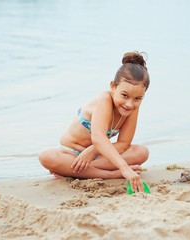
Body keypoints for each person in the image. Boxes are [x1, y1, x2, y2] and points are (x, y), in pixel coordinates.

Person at [38, 51, 150, 193]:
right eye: (124, 95)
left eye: (137, 98)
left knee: (141, 152)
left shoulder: (133, 107)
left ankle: (77, 171)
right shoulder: (104, 100)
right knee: (46, 156)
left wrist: (91, 153)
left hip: (98, 156)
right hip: (72, 153)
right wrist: (124, 169)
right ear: (113, 86)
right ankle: (108, 174)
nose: (129, 104)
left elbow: (124, 143)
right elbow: (98, 137)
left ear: (143, 95)